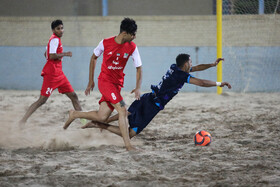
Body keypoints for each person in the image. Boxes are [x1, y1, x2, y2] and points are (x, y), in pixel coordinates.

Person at [80, 54, 232, 139]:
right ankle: (100, 125)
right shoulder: (180, 76)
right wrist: (219, 83)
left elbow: (197, 68)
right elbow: (202, 83)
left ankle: (97, 121)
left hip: (148, 97)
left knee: (125, 114)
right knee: (131, 133)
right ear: (185, 64)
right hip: (152, 106)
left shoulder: (175, 68)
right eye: (190, 62)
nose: (191, 65)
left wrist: (212, 65)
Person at [63, 18, 142, 151]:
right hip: (105, 82)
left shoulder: (132, 47)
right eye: (133, 34)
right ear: (124, 33)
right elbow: (93, 57)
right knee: (122, 110)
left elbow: (139, 67)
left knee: (102, 117)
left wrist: (138, 87)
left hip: (117, 85)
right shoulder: (105, 43)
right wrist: (90, 81)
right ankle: (128, 146)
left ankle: (75, 114)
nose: (135, 36)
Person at [19, 20, 83, 124]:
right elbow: (51, 55)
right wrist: (65, 54)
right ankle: (22, 121)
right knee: (42, 101)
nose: (61, 31)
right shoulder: (54, 40)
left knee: (74, 96)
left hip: (59, 74)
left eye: (62, 28)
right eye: (58, 29)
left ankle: (84, 123)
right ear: (53, 30)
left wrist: (55, 55)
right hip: (51, 74)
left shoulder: (54, 40)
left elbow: (46, 54)